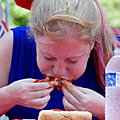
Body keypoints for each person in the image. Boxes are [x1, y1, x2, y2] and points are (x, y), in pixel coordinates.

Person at [0, 0, 120, 120]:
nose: (59, 71)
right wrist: (8, 97)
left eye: (73, 60)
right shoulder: (12, 46)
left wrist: (104, 109)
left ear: (92, 44)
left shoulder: (114, 55)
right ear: (35, 37)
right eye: (48, 57)